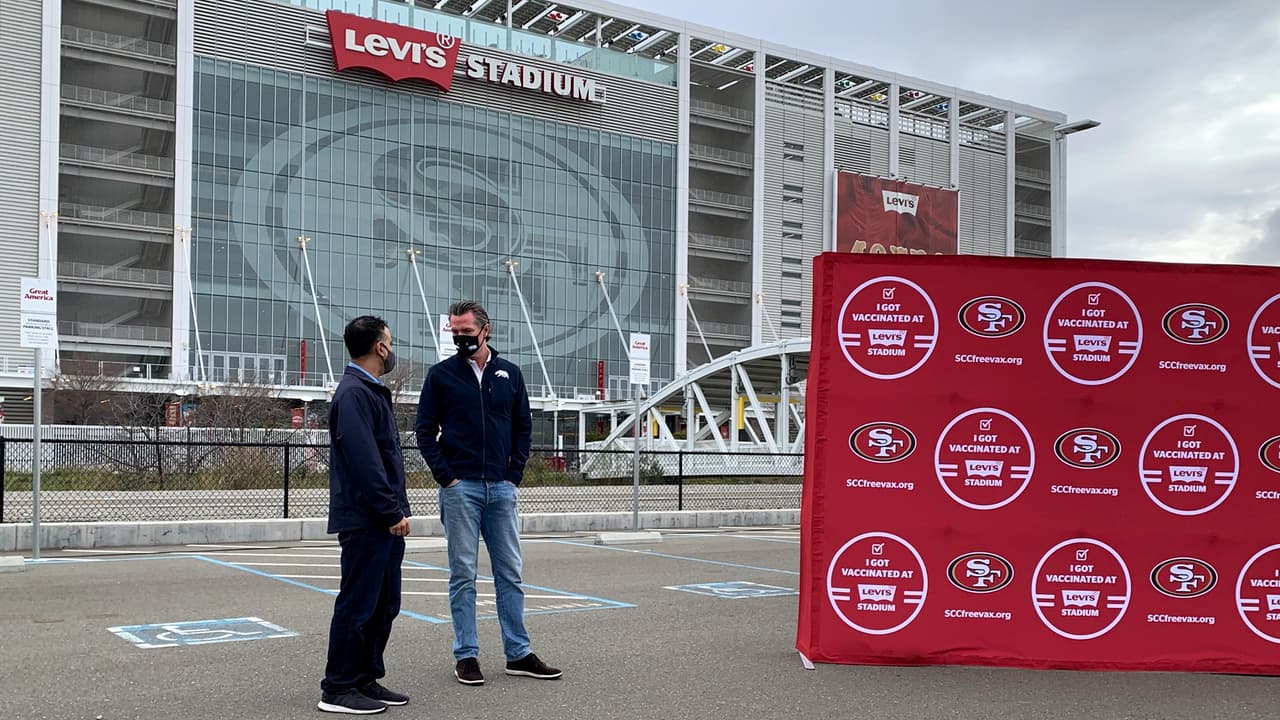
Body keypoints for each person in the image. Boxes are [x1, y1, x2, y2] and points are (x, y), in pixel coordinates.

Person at [416, 300, 561, 686]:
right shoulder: (441, 375)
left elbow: (524, 427)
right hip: (460, 489)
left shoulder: (509, 374)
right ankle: (466, 654)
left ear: (485, 329)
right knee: (463, 574)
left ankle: (518, 653)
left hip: (501, 488)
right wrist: (447, 478)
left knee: (509, 573)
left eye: (466, 331)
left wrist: (513, 475)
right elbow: (424, 432)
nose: (460, 338)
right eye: (455, 332)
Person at [319, 316, 413, 715]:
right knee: (358, 604)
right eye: (390, 342)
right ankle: (338, 688)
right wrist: (390, 511)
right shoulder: (355, 393)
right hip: (367, 519)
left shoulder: (370, 390)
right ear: (379, 347)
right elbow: (364, 460)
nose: (392, 349)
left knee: (383, 603)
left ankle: (364, 678)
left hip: (381, 518)